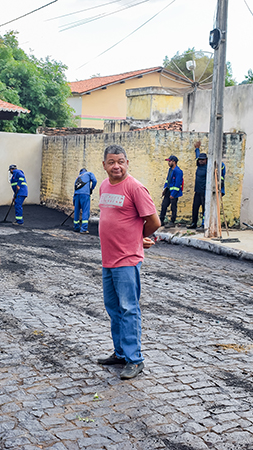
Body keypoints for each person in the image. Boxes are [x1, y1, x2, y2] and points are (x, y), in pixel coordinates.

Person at [96, 144, 160, 380]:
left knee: (128, 309)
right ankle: (120, 353)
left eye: (121, 161)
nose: (116, 166)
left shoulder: (135, 187)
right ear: (104, 165)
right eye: (112, 162)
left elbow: (154, 221)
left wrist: (138, 237)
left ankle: (135, 360)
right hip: (108, 259)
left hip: (127, 259)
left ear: (127, 163)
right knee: (113, 309)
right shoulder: (103, 186)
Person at [188, 142, 225, 229]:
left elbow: (221, 166)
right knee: (195, 208)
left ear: (206, 160)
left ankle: (204, 224)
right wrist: (197, 148)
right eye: (200, 159)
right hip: (197, 191)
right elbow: (197, 156)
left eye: (203, 159)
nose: (201, 161)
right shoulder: (198, 164)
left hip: (204, 191)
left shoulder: (209, 166)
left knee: (205, 209)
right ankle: (194, 223)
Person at [159, 155, 183, 227]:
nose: (168, 163)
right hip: (168, 191)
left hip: (174, 192)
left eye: (169, 161)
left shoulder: (178, 171)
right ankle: (161, 220)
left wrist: (173, 194)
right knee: (164, 206)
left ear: (174, 162)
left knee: (173, 207)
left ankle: (172, 221)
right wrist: (165, 189)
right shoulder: (170, 170)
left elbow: (177, 183)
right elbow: (167, 180)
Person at [73, 168, 97, 234]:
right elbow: (94, 181)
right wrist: (91, 189)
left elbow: (75, 188)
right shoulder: (89, 173)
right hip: (85, 194)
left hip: (76, 195)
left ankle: (76, 227)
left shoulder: (78, 177)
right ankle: (84, 229)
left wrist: (74, 201)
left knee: (76, 211)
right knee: (85, 210)